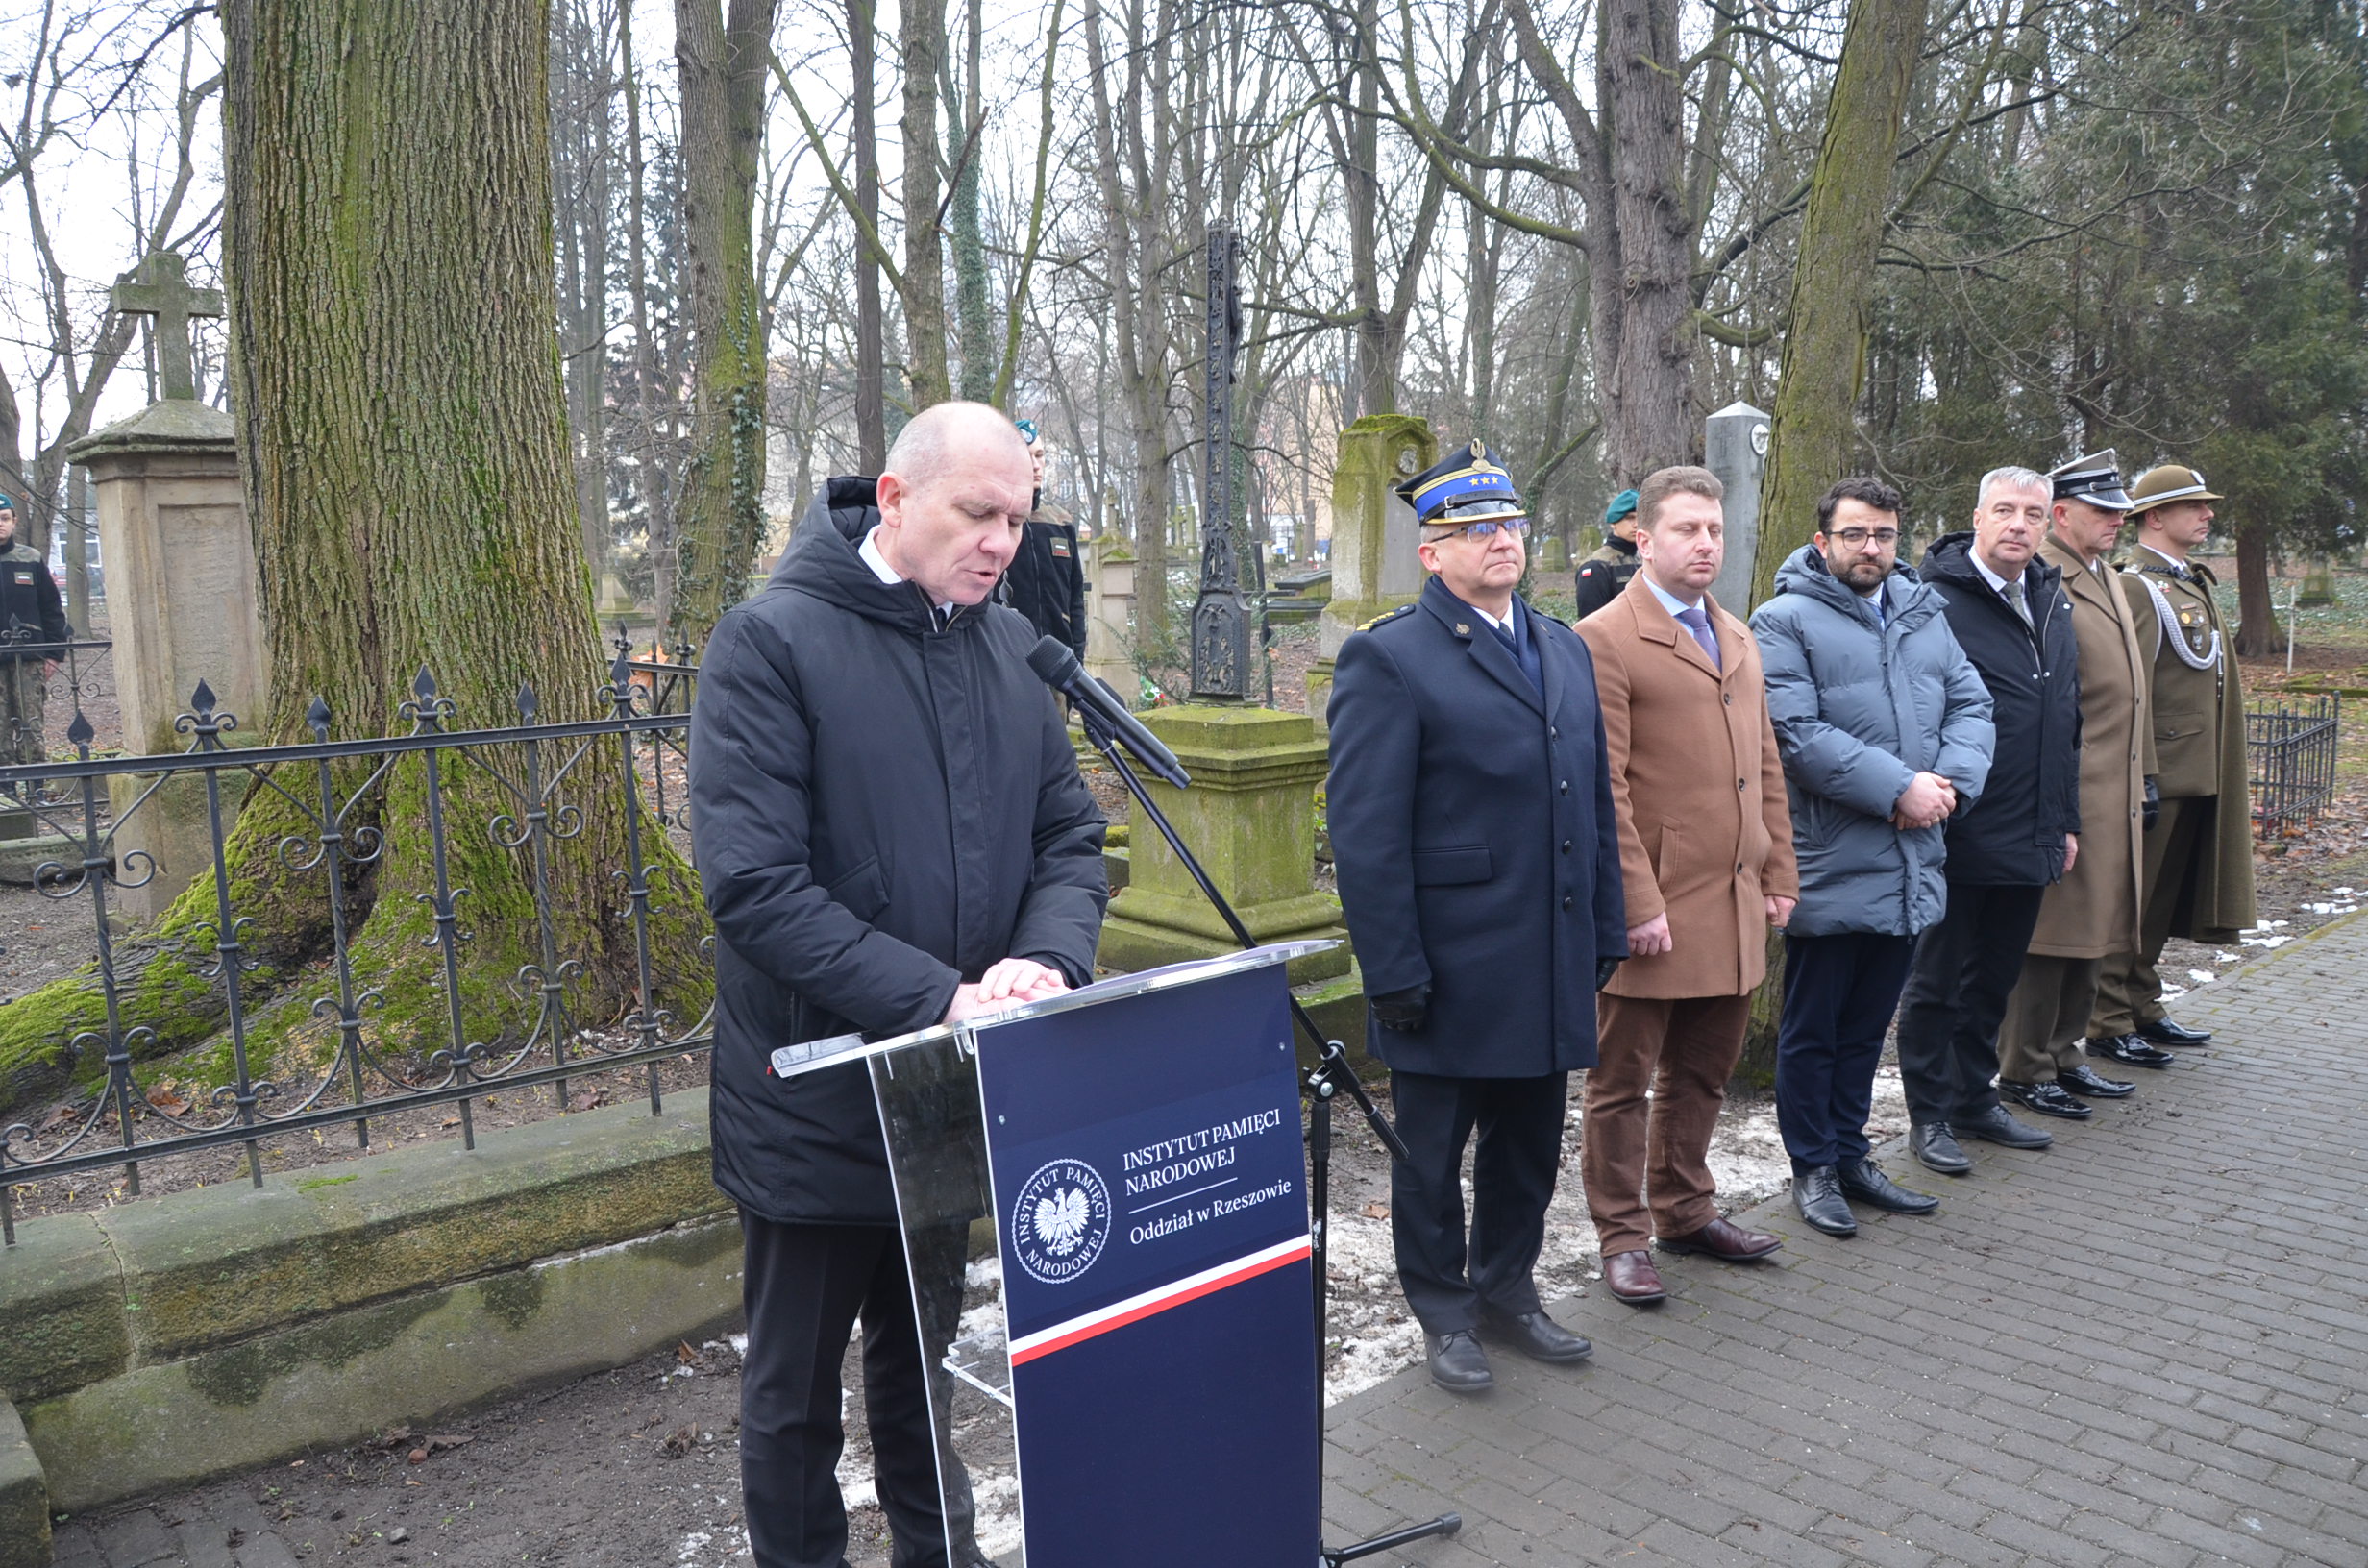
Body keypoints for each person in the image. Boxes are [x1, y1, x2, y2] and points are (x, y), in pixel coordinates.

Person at [689, 402, 1108, 1568]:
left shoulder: (1008, 648)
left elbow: (1069, 839)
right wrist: (939, 997)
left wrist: (1046, 958)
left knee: (922, 1367)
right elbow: (754, 888)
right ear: (894, 497)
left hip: (945, 1095)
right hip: (814, 1096)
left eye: (1017, 519)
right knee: (794, 1395)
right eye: (978, 514)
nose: (1001, 543)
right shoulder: (770, 643)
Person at [1326, 439, 1624, 1394]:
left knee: (1528, 1145)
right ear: (1431, 553)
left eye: (1510, 524)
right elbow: (1366, 835)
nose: (1501, 540)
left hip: (1547, 951)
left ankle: (1506, 1292)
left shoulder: (1562, 646)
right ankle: (1444, 1313)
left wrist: (1605, 925)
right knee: (1430, 1160)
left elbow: (1592, 803)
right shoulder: (1389, 657)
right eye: (1476, 529)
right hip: (1449, 965)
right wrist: (1392, 970)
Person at [1574, 466, 1796, 1306]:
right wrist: (1635, 902)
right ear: (1643, 539)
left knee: (1704, 1073)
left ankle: (1685, 1209)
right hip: (1656, 904)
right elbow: (1604, 788)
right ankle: (1622, 1236)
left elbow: (1765, 763)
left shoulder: (1735, 634)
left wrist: (1779, 871)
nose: (1705, 544)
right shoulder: (1604, 638)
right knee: (1621, 1084)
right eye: (1685, 529)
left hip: (1733, 897)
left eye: (1714, 530)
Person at [1751, 478, 1993, 1237]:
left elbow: (1973, 704)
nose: (1871, 548)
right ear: (1822, 541)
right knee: (1814, 1028)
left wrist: (1949, 783)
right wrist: (1898, 788)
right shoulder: (1783, 620)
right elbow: (1795, 735)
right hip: (1832, 857)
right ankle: (1814, 1167)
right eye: (1854, 534)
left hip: (1912, 856)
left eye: (1883, 535)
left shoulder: (1924, 614)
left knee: (1865, 1027)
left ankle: (1851, 1155)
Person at [1895, 468, 2084, 1176]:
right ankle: (1929, 1114)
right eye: (2004, 510)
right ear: (1976, 518)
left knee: (1995, 979)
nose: (2018, 525)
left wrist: (2064, 820)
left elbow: (2067, 718)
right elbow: (1915, 712)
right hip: (1960, 824)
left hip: (2033, 826)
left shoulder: (2049, 596)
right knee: (1939, 981)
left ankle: (1975, 1098)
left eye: (2032, 514)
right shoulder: (1934, 601)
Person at [1996, 450, 2159, 1119]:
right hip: (2069, 785)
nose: (2117, 520)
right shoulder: (2043, 577)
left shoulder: (2106, 575)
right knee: (2052, 934)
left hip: (2114, 789)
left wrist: (2146, 775)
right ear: (2061, 515)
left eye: (2120, 510)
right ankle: (2024, 1066)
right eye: (2103, 510)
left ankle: (2066, 1054)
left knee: (2097, 929)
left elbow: (2134, 694)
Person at [2085, 464, 2256, 1054]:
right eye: (2194, 506)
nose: (2208, 514)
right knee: (2130, 902)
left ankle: (2141, 1004)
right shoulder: (2137, 587)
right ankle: (2107, 1019)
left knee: (2160, 901)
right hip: (2159, 771)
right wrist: (2144, 773)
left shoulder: (2186, 582)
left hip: (2197, 767)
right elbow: (2128, 690)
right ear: (2155, 517)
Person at [996, 417, 1088, 663]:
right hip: (1009, 659)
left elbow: (1075, 597)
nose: (1036, 466)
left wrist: (1078, 657)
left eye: (1040, 455)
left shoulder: (1060, 522)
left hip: (1059, 659)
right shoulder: (996, 521)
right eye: (1028, 457)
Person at [0, 494, 68, 770]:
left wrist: (54, 654)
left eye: (4, 518)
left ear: (14, 521)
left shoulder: (30, 558)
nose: (0, 524)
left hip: (30, 659)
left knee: (31, 723)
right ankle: (6, 788)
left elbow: (51, 608)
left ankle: (35, 781)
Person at [1572, 488, 1642, 620]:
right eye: (1630, 518)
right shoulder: (1597, 566)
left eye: (1641, 518)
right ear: (1613, 522)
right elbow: (1590, 622)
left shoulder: (1644, 560)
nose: (1636, 524)